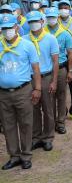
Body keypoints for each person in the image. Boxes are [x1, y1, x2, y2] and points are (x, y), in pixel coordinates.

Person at [0, 14, 41, 170]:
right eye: (4, 29)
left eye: (9, 28)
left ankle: (26, 155)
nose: (7, 31)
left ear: (16, 27)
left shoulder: (27, 45)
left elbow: (36, 68)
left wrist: (37, 88)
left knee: (25, 123)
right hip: (3, 93)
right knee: (8, 125)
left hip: (23, 90)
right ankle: (14, 156)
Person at [24, 11, 59, 152]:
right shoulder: (24, 39)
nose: (34, 24)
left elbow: (55, 61)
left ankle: (48, 137)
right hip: (30, 78)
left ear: (42, 21)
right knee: (33, 109)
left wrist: (54, 81)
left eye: (36, 21)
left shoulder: (51, 38)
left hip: (46, 77)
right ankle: (36, 137)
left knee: (48, 108)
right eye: (31, 22)